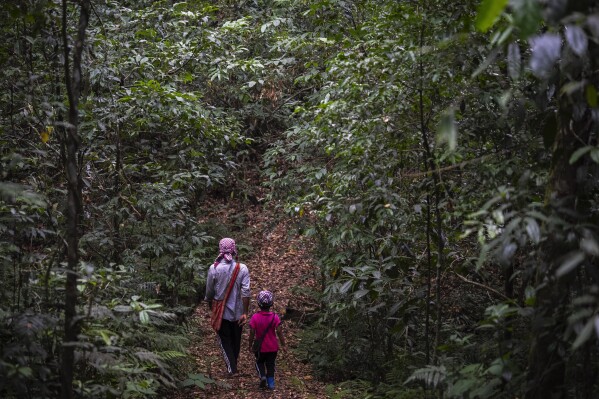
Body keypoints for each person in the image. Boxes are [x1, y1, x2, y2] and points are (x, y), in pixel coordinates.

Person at [205, 237, 250, 375]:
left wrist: (211, 308)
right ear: (234, 249)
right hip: (237, 312)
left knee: (225, 340)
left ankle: (232, 369)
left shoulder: (214, 268)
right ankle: (233, 366)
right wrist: (245, 312)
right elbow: (246, 292)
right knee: (236, 340)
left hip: (222, 313)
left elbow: (209, 292)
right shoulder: (242, 268)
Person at [248, 290, 287, 390]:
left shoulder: (255, 317)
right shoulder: (275, 317)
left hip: (261, 348)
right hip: (273, 347)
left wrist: (250, 344)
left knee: (259, 362)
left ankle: (262, 377)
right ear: (271, 303)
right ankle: (271, 383)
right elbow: (279, 332)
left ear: (258, 303)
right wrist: (283, 345)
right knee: (271, 364)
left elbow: (252, 332)